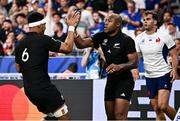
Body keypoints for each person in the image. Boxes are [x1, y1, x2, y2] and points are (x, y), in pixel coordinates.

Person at [15, 11, 80, 120]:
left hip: (29, 91)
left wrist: (40, 55)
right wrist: (71, 27)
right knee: (65, 118)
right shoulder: (43, 39)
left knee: (53, 117)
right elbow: (68, 48)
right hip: (43, 88)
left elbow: (18, 68)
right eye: (44, 25)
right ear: (39, 25)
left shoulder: (20, 43)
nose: (45, 28)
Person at [74, 13, 138, 120]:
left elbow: (134, 62)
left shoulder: (126, 40)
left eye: (109, 20)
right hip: (110, 80)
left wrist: (120, 66)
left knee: (120, 116)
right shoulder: (101, 36)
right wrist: (73, 28)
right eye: (105, 20)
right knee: (110, 117)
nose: (106, 22)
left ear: (118, 24)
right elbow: (81, 44)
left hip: (124, 81)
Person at [134, 10, 178, 120]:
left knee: (163, 105)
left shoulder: (164, 36)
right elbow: (137, 57)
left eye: (148, 19)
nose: (145, 22)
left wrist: (174, 70)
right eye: (144, 20)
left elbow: (174, 55)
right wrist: (135, 69)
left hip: (164, 74)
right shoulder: (139, 38)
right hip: (149, 77)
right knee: (157, 109)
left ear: (155, 21)